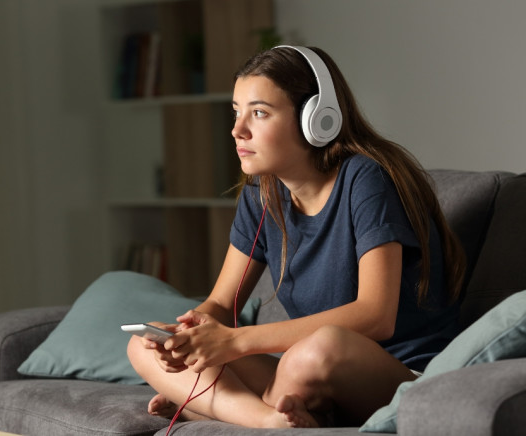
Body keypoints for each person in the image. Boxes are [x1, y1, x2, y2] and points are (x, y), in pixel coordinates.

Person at [127, 45, 466, 428]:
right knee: (142, 345)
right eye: (236, 112)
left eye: (259, 112)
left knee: (317, 350)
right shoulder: (261, 193)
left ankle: (213, 407)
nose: (238, 130)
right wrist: (189, 334)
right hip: (301, 374)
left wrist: (236, 342)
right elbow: (221, 304)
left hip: (396, 375)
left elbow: (376, 316)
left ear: (317, 119)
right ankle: (271, 419)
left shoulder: (365, 180)